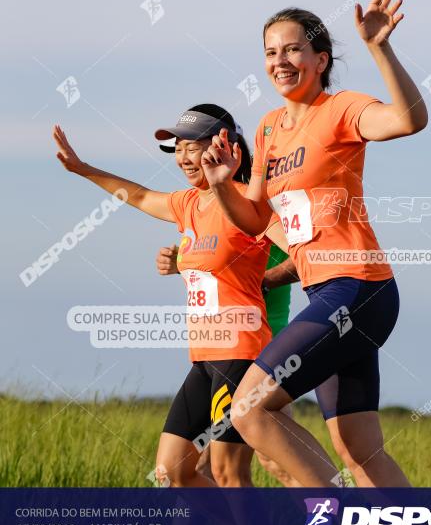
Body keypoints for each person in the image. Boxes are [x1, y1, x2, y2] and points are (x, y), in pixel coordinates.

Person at [200, 0, 428, 487]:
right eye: (271, 52)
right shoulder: (266, 129)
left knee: (250, 409)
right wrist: (221, 187)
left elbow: (410, 119)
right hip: (324, 293)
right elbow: (257, 218)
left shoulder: (342, 108)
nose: (281, 61)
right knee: (359, 450)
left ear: (320, 58)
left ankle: (337, 524)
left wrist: (380, 48)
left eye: (293, 49)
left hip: (358, 287)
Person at [52, 104, 289, 487]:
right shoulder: (188, 204)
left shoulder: (248, 200)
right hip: (203, 358)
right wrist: (84, 169)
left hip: (241, 353)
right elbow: (142, 197)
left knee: (228, 473)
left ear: (222, 145)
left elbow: (299, 251)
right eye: (177, 148)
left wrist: (263, 281)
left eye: (190, 146)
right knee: (172, 472)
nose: (181, 157)